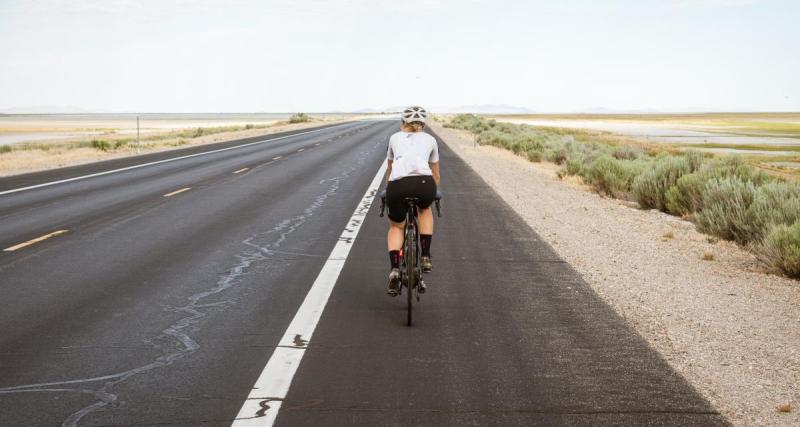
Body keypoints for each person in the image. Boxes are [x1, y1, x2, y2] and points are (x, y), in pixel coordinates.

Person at [384, 106, 440, 296]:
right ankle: (425, 256)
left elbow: (390, 170)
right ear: (423, 124)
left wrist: (389, 191)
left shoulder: (394, 138)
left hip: (398, 185)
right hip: (424, 183)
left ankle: (394, 269)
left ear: (403, 122)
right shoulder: (431, 140)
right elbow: (436, 174)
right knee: (424, 210)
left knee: (397, 227)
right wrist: (433, 192)